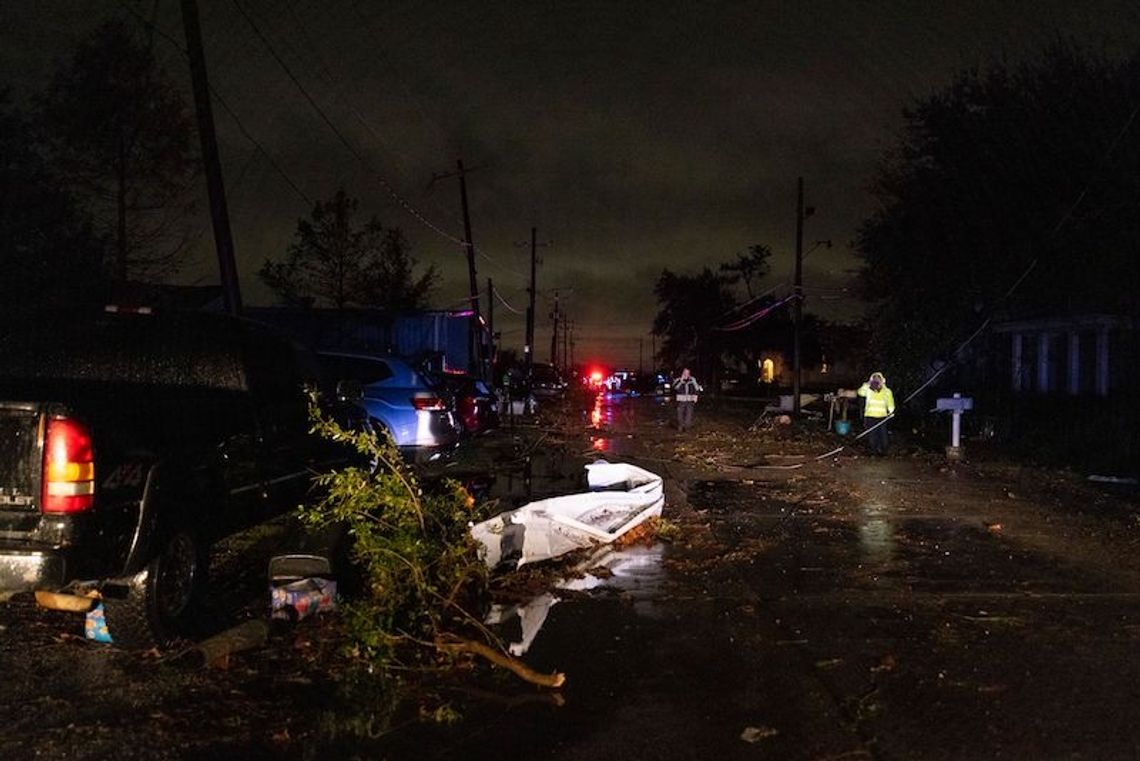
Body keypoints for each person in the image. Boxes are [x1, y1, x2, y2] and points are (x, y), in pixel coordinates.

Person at [857, 371, 895, 455]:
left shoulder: (887, 391)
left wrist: (891, 411)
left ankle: (883, 451)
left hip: (882, 418)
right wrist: (866, 384)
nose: (876, 381)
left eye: (878, 379)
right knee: (872, 436)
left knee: (883, 436)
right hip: (870, 417)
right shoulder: (868, 389)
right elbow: (860, 392)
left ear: (882, 380)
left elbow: (890, 403)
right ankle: (873, 452)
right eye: (874, 379)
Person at [673, 367, 703, 432]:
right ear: (682, 373)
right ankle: (681, 425)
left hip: (690, 400)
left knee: (689, 415)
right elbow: (675, 388)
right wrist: (681, 381)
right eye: (685, 372)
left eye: (687, 373)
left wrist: (696, 397)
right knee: (679, 414)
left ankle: (687, 427)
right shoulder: (678, 380)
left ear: (689, 373)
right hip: (680, 401)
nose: (686, 374)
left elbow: (697, 389)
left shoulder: (692, 380)